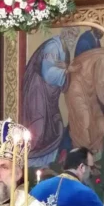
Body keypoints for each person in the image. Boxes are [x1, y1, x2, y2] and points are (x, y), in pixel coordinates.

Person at [22, 28, 79, 168]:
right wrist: (67, 70)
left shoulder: (64, 49)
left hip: (50, 95)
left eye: (75, 35)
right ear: (64, 33)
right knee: (39, 128)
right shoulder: (53, 47)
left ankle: (45, 165)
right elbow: (48, 74)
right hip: (38, 93)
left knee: (53, 127)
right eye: (71, 33)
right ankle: (29, 164)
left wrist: (67, 69)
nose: (73, 38)